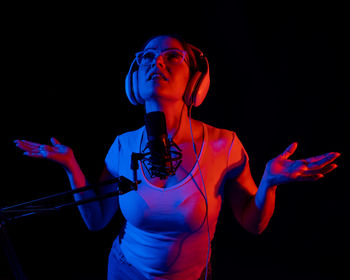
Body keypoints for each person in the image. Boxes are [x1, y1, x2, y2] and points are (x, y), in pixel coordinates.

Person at [14, 35, 340, 280]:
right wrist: (71, 165)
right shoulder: (123, 146)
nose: (157, 62)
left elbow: (253, 224)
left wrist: (269, 183)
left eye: (173, 56)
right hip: (125, 271)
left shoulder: (222, 145)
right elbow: (97, 220)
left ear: (195, 81)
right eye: (148, 57)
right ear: (134, 81)